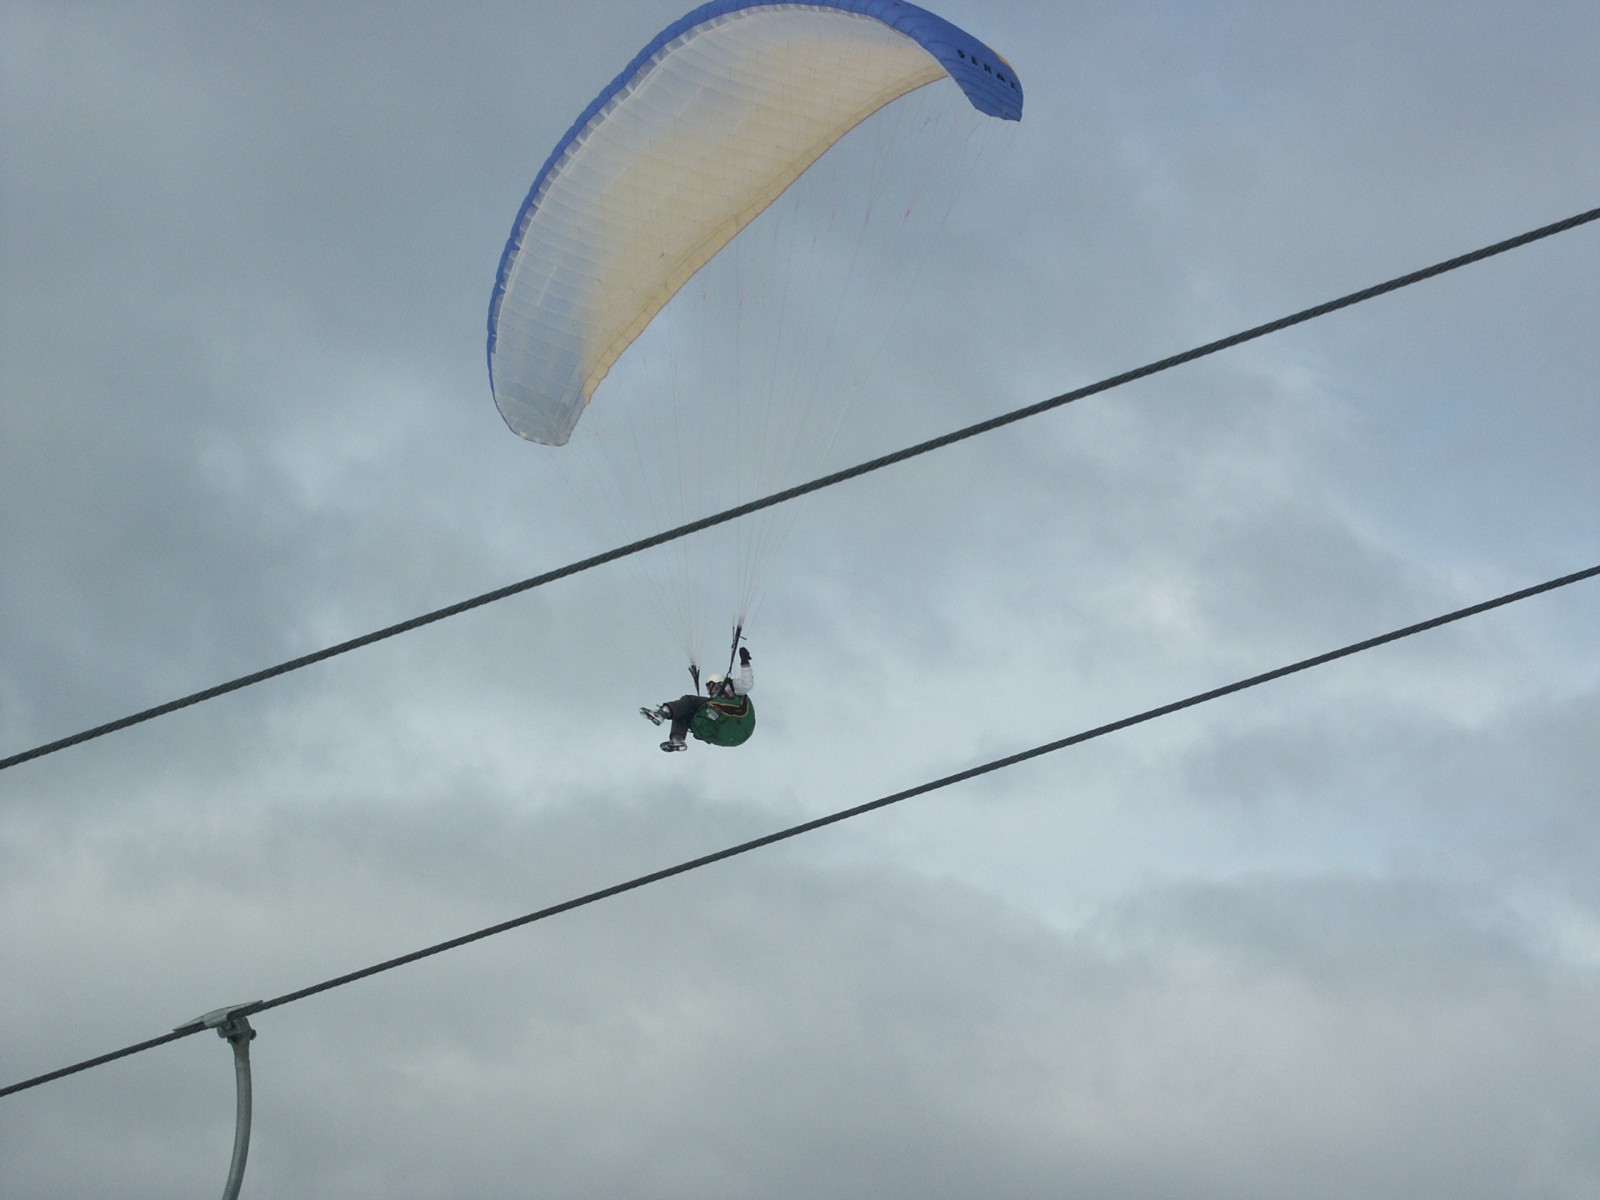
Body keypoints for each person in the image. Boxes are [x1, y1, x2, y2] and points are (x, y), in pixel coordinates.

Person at [641, 646, 754, 752]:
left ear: (720, 683)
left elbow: (747, 684)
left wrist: (744, 662)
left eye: (712, 687)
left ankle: (662, 713)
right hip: (727, 732)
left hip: (735, 722)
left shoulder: (732, 688)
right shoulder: (715, 702)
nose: (711, 691)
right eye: (709, 689)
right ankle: (677, 740)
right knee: (682, 713)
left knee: (689, 701)